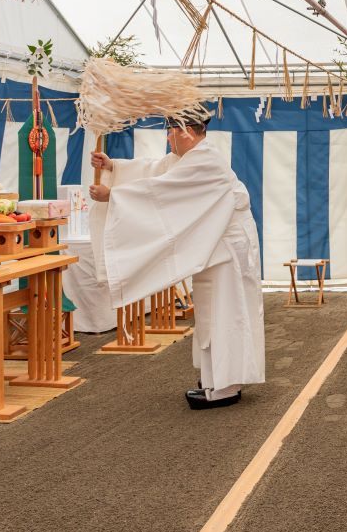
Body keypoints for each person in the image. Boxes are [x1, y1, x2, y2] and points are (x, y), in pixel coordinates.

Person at [89, 119, 265, 409]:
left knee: (226, 312)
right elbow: (157, 171)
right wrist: (113, 167)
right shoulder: (193, 157)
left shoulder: (205, 161)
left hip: (228, 250)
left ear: (188, 132)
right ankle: (217, 378)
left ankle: (226, 385)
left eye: (171, 133)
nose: (168, 139)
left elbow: (161, 189)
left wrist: (114, 195)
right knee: (213, 312)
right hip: (217, 246)